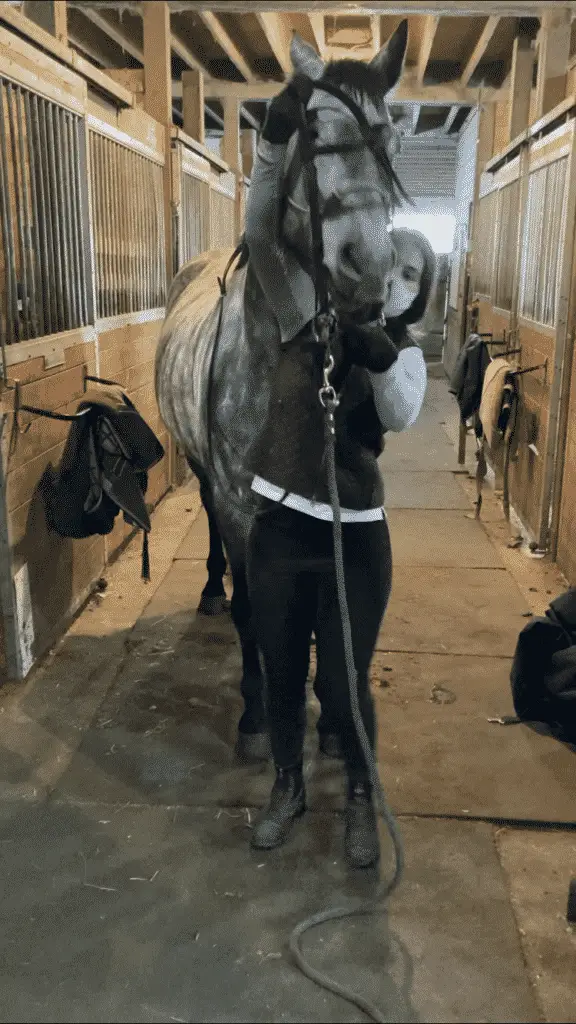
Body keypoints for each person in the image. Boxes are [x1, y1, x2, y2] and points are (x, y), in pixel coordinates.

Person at [244, 80, 435, 869]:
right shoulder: (296, 309)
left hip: (357, 538)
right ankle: (288, 784)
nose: (392, 282)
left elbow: (397, 416)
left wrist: (381, 353)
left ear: (409, 289)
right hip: (280, 527)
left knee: (348, 681)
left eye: (409, 282)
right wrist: (268, 145)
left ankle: (358, 794)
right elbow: (260, 230)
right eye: (394, 271)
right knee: (282, 671)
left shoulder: (407, 355)